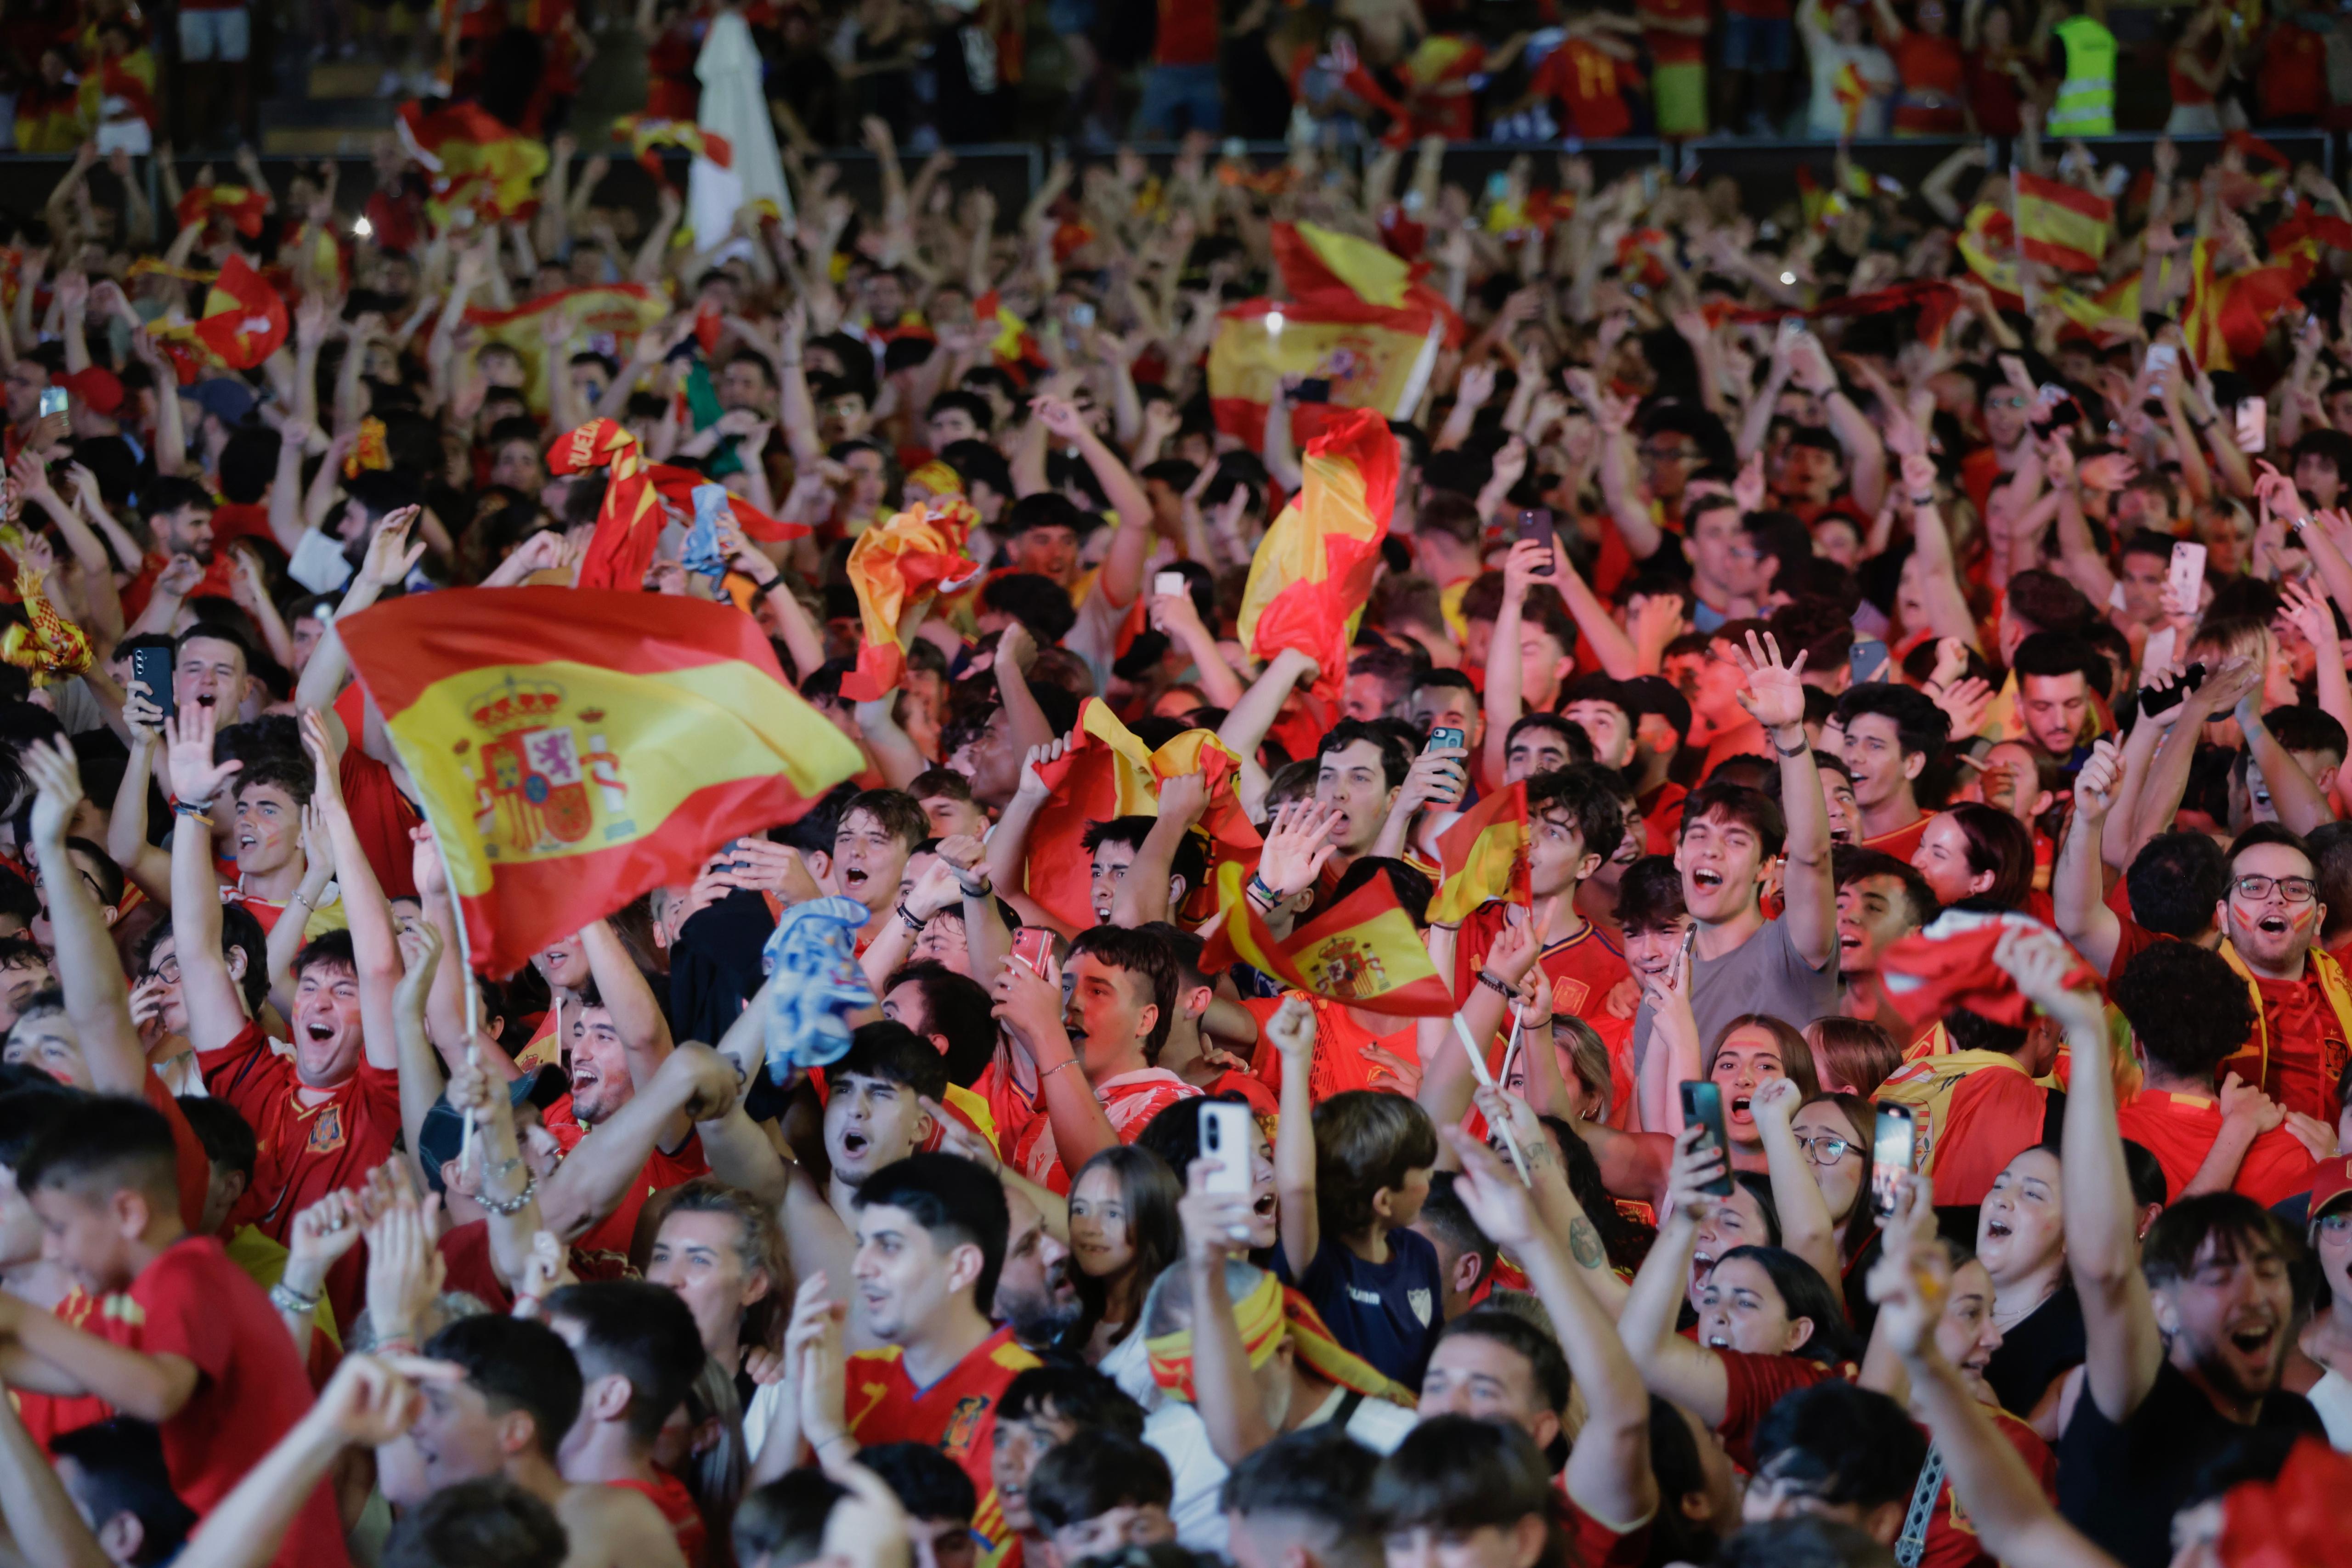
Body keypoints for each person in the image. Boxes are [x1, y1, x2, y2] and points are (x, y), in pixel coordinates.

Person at [0, 1097, 349, 1566]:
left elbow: (159, 1393)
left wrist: (23, 1319)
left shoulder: (191, 1278)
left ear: (127, 1213)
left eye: (59, 1228)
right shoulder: (136, 1294)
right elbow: (74, 1374)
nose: (53, 1249)